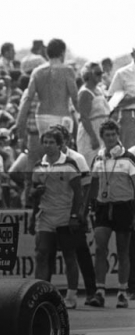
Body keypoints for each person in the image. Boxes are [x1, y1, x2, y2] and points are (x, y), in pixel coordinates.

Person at [31, 129, 83, 307]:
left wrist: (75, 215)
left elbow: (79, 192)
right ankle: (40, 293)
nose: (47, 145)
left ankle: (71, 296)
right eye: (45, 141)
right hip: (45, 216)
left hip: (65, 216)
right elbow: (33, 192)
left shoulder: (69, 164)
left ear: (60, 144)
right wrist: (35, 193)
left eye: (51, 142)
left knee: (69, 255)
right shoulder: (39, 165)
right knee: (42, 254)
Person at [87, 121, 135, 308]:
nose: (110, 138)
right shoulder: (98, 159)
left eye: (113, 135)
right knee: (100, 248)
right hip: (103, 207)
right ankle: (100, 291)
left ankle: (122, 292)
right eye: (107, 135)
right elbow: (92, 185)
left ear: (118, 135)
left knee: (123, 251)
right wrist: (86, 208)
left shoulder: (129, 158)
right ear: (102, 137)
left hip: (124, 207)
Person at [16, 38, 78, 139]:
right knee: (61, 150)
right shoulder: (67, 71)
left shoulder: (37, 71)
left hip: (41, 117)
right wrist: (83, 117)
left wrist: (19, 121)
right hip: (61, 116)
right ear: (62, 53)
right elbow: (75, 98)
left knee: (47, 147)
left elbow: (28, 98)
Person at [76, 62, 111, 167]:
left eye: (101, 73)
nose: (100, 75)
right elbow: (84, 117)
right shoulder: (85, 92)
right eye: (97, 73)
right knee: (91, 163)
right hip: (91, 131)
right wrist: (93, 137)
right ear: (88, 74)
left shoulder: (99, 90)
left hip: (102, 129)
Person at [107, 48, 135, 150]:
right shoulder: (122, 73)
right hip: (130, 117)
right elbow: (111, 101)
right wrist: (132, 99)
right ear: (133, 54)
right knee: (131, 153)